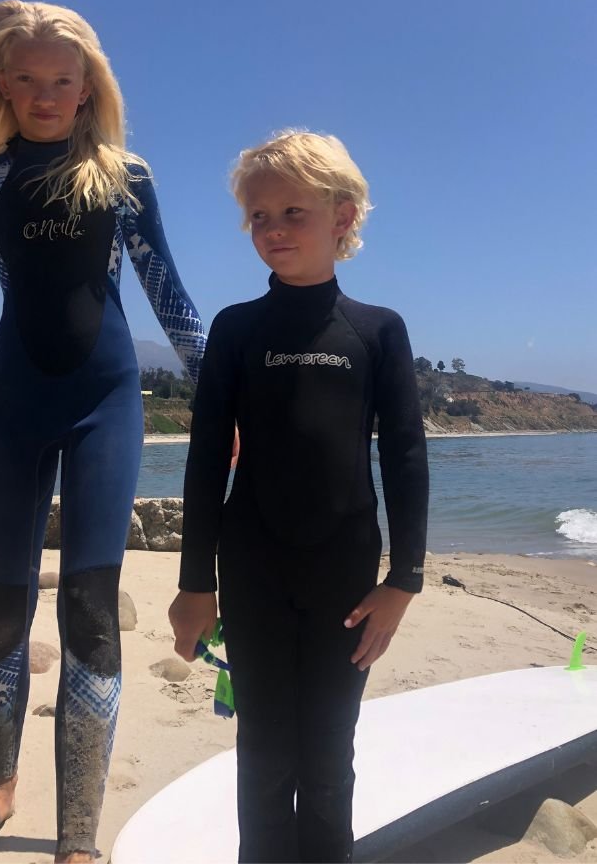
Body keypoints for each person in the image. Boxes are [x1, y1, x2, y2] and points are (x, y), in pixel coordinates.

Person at [0, 0, 206, 864]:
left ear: (88, 89)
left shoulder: (125, 178)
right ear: (3, 83)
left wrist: (227, 397)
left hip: (105, 404)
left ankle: (78, 833)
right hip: (13, 406)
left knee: (90, 611)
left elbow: (172, 300)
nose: (46, 95)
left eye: (62, 81)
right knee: (0, 614)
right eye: (30, 80)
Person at [169, 130, 428, 863]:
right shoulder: (236, 328)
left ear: (342, 217)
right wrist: (195, 586)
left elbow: (405, 457)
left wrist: (403, 581)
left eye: (292, 212)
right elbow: (203, 459)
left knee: (325, 751)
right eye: (258, 217)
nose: (272, 230)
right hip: (251, 564)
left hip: (345, 572)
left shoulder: (377, 331)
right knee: (261, 750)